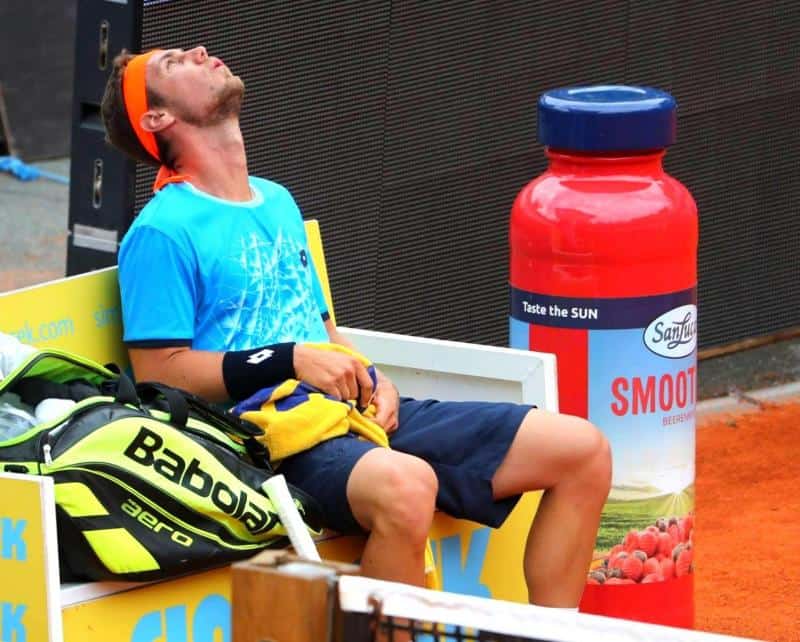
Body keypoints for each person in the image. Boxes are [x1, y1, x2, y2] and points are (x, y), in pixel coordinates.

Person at [100, 46, 611, 608]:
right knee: (408, 488)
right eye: (175, 63)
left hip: (347, 415)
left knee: (582, 450)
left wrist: (377, 378)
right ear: (157, 119)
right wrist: (288, 359)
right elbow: (158, 373)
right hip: (260, 441)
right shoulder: (160, 232)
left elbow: (324, 331)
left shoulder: (277, 201)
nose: (200, 52)